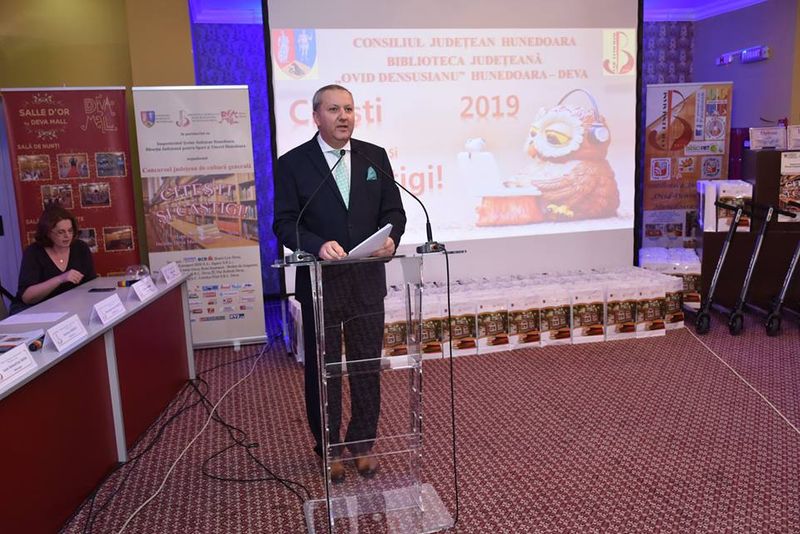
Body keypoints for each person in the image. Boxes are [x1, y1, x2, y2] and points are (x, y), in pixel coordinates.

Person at [273, 84, 406, 482]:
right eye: (334, 109)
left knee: (366, 366)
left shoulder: (373, 156)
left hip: (366, 281)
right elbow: (284, 223)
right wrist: (316, 245)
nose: (344, 116)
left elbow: (394, 212)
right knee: (324, 369)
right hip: (322, 284)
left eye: (349, 109)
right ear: (316, 117)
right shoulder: (293, 164)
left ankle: (362, 443)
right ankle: (329, 447)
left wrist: (392, 239)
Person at [10, 206, 96, 315]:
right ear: (48, 232)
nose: (67, 236)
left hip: (67, 305)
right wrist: (60, 278)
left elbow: (91, 283)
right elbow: (27, 297)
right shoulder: (34, 252)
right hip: (33, 309)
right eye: (61, 232)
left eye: (70, 230)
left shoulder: (80, 248)